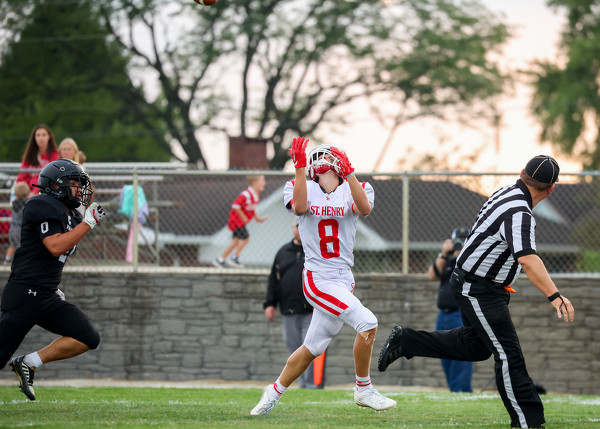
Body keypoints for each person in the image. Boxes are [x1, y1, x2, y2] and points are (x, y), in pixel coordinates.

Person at [378, 155, 575, 429]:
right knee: (508, 354)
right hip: (479, 287)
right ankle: (528, 421)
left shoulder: (505, 193)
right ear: (551, 188)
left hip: (477, 283)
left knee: (477, 346)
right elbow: (528, 259)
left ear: (521, 173)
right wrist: (555, 296)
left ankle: (407, 341)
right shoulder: (519, 211)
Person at [251, 137, 396, 415]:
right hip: (317, 278)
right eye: (317, 157)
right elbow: (300, 208)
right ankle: (364, 389)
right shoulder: (299, 186)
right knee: (368, 323)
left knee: (312, 347)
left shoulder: (357, 187)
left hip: (343, 278)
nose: (322, 160)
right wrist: (298, 167)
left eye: (328, 156)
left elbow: (364, 209)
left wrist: (350, 173)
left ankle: (273, 392)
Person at [0, 159, 106, 401]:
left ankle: (28, 362)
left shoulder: (70, 215)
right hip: (25, 294)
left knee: (88, 336)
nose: (79, 189)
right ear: (57, 184)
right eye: (74, 183)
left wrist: (52, 287)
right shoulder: (42, 204)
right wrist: (89, 222)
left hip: (47, 295)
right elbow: (55, 246)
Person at [264, 219, 324, 389]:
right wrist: (270, 304)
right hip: (288, 310)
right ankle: (302, 384)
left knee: (309, 348)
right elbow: (273, 280)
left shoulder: (315, 250)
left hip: (310, 310)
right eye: (297, 226)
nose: (299, 229)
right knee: (294, 349)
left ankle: (311, 385)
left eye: (302, 226)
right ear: (293, 228)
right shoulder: (283, 252)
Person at [427, 227, 473, 393]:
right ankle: (454, 390)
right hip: (443, 315)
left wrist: (463, 253)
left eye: (465, 239)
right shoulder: (447, 261)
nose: (461, 243)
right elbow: (432, 275)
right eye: (458, 240)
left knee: (461, 354)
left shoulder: (471, 260)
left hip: (460, 314)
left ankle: (462, 391)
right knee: (444, 353)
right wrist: (444, 254)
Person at [212, 175, 268, 268]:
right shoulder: (246, 194)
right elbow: (235, 205)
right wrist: (243, 216)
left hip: (241, 222)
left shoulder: (256, 195)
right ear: (254, 182)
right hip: (237, 221)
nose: (264, 183)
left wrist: (257, 218)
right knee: (246, 239)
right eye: (262, 181)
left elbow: (251, 209)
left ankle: (220, 260)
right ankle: (234, 258)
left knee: (235, 242)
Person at [16, 124, 59, 197]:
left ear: (49, 136)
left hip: (46, 192)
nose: (41, 138)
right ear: (34, 138)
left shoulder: (55, 155)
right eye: (38, 135)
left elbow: (51, 178)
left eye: (44, 135)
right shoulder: (29, 155)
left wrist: (35, 192)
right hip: (27, 193)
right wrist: (26, 192)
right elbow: (21, 177)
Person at [4, 182, 31, 265]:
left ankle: (7, 260)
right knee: (21, 247)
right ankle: (22, 262)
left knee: (12, 245)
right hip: (19, 230)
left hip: (12, 229)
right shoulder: (25, 204)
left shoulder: (15, 202)